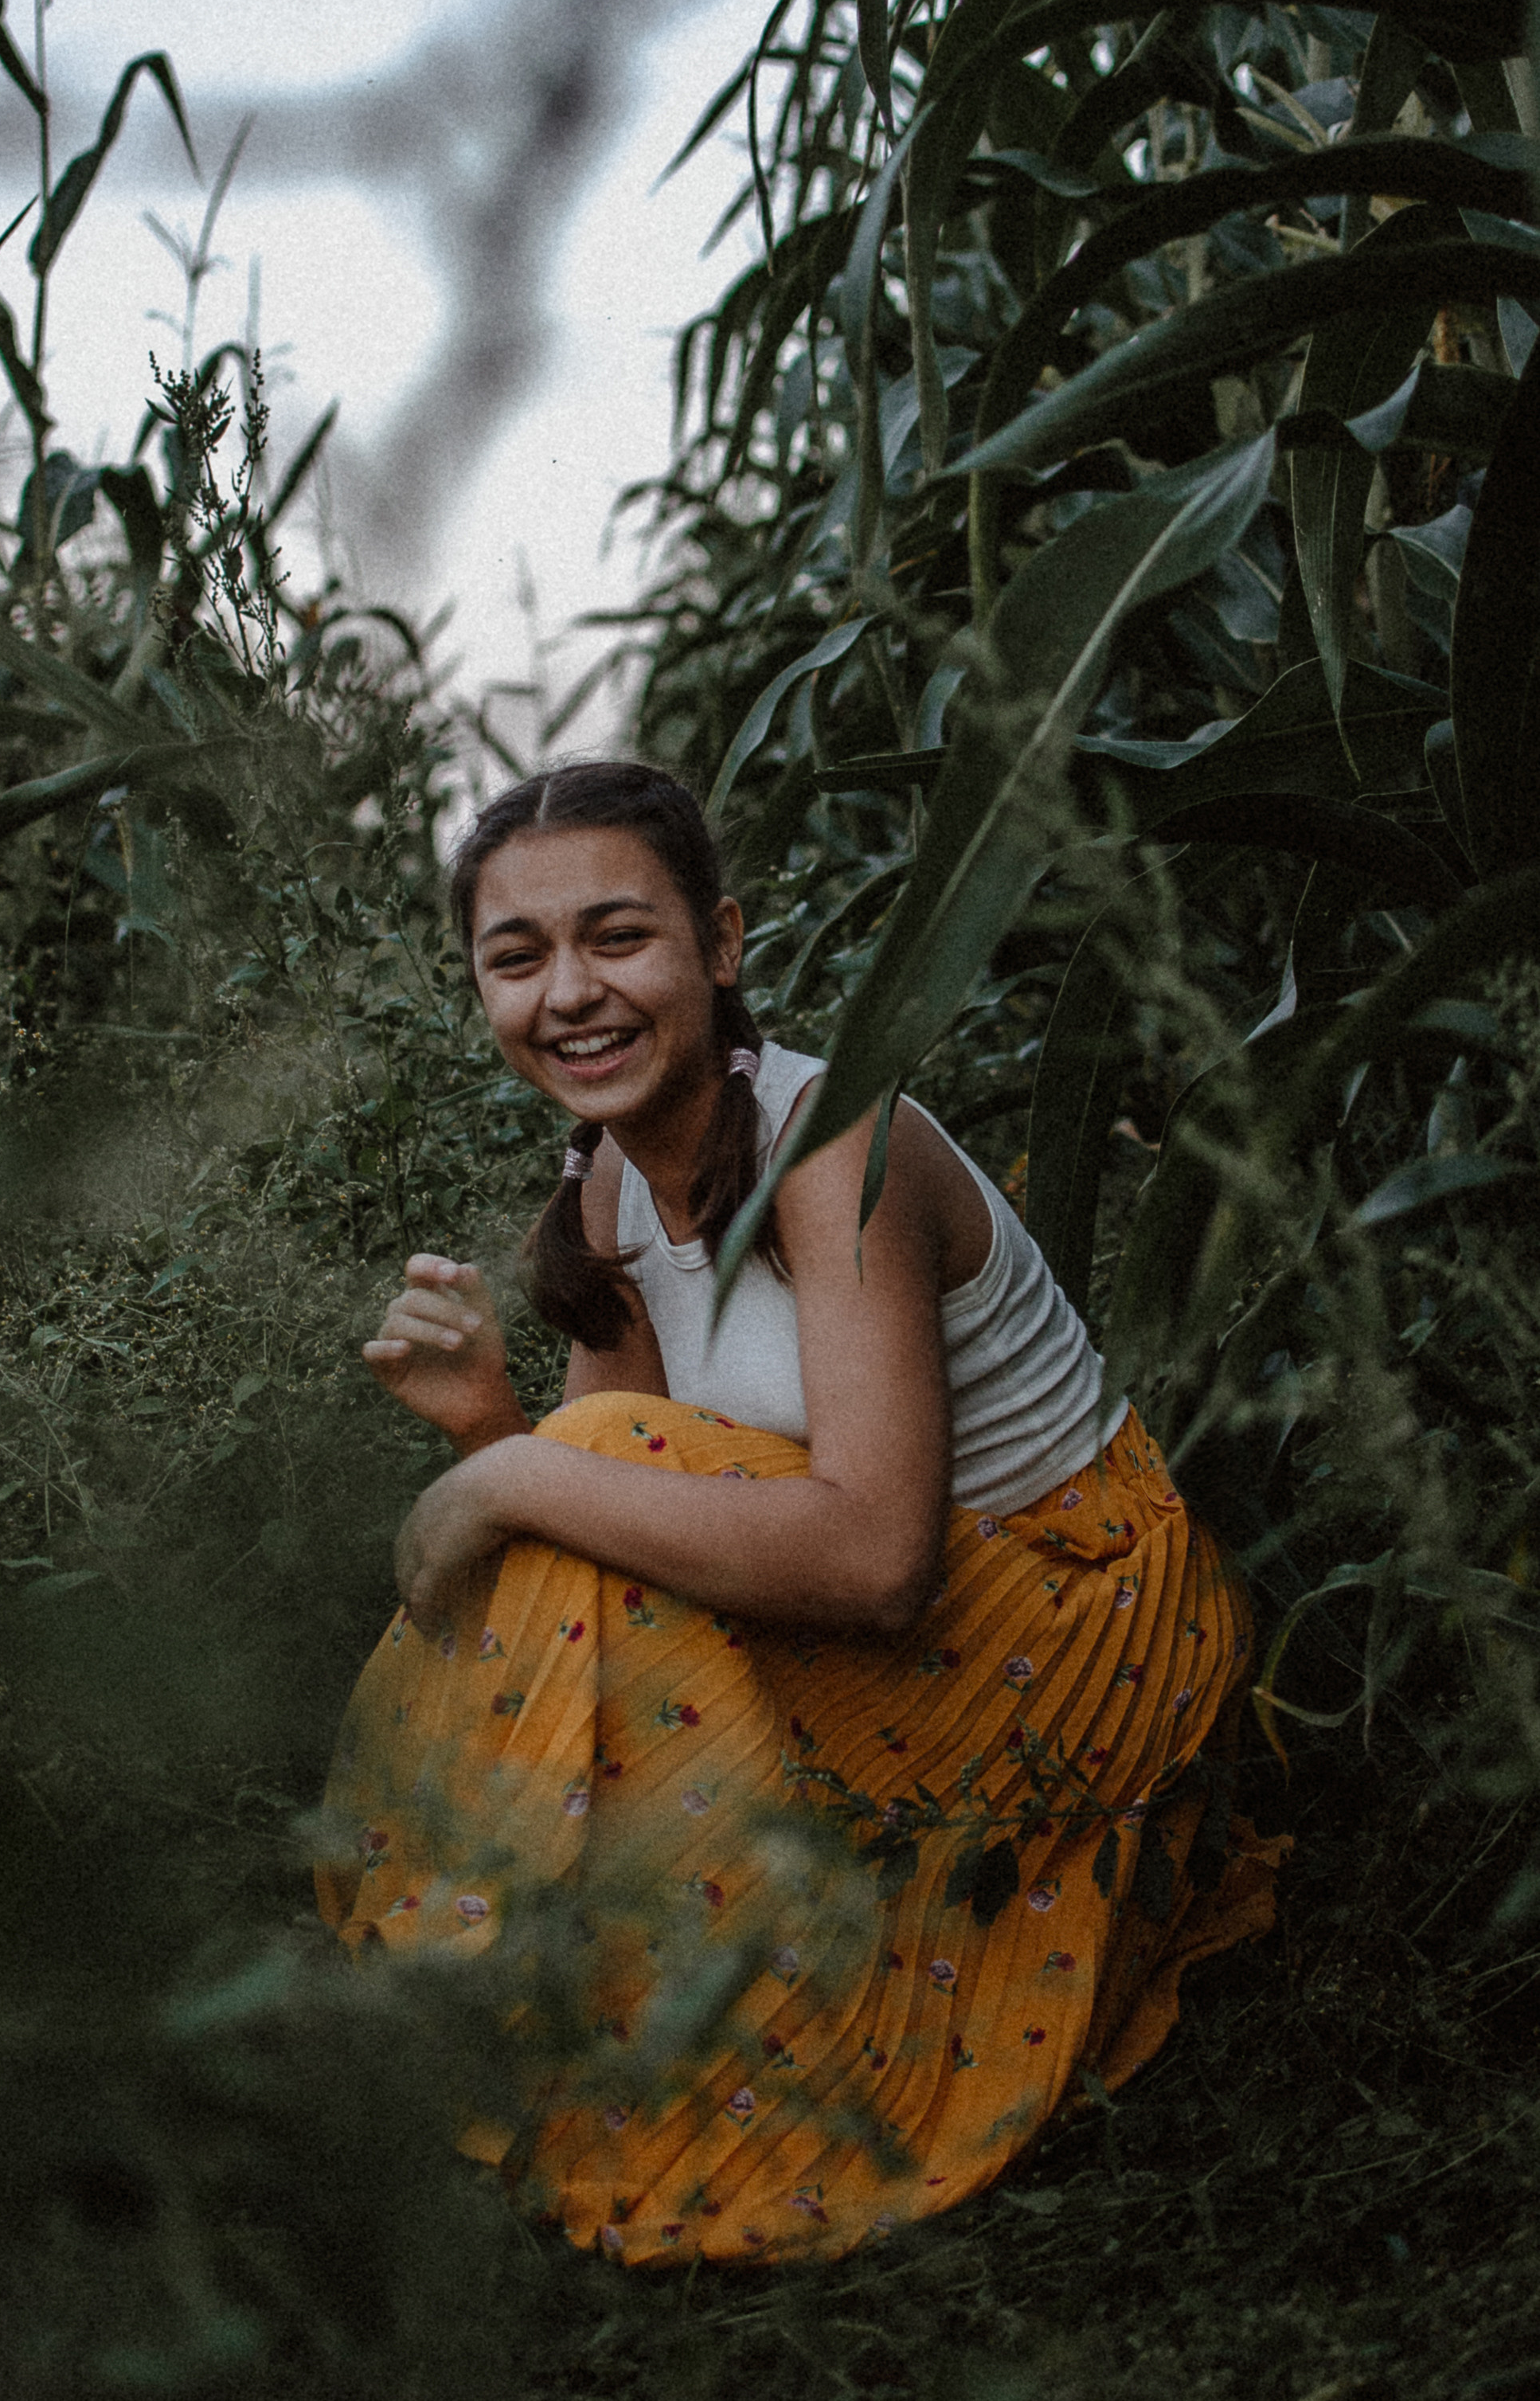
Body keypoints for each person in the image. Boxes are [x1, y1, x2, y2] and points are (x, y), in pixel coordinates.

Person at [315, 761, 1284, 2266]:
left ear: (721, 946)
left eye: (617, 937)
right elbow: (608, 1536)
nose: (569, 993)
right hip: (905, 1634)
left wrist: (503, 1478)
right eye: (518, 959)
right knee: (587, 1460)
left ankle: (593, 2052)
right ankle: (509, 2035)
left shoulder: (836, 1149)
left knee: (584, 1457)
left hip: (1075, 1621)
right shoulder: (606, 1192)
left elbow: (877, 1562)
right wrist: (491, 1431)